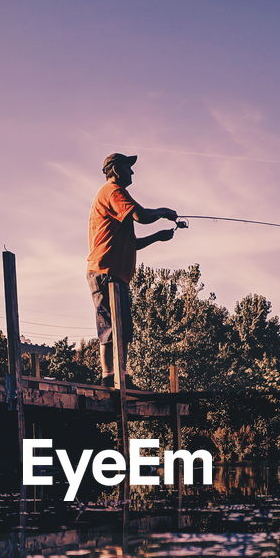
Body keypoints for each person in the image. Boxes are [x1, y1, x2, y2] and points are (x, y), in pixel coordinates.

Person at [87, 152, 178, 388]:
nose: (133, 172)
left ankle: (121, 375)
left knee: (123, 327)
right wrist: (162, 212)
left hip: (115, 273)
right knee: (109, 325)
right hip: (105, 271)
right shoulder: (113, 192)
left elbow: (131, 243)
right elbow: (141, 215)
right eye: (129, 168)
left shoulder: (115, 197)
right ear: (116, 170)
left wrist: (158, 237)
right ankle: (110, 377)